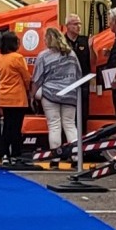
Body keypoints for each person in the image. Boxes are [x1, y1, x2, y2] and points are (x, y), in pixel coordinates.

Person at [34, 24, 83, 154]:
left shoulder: (43, 56)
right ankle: (76, 156)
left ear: (48, 39)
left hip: (50, 94)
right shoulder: (71, 54)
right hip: (70, 94)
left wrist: (33, 94)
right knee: (70, 125)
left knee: (54, 125)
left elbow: (37, 78)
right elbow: (79, 74)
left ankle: (55, 157)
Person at [0, 30, 32, 166]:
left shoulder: (0, 58)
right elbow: (26, 77)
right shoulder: (18, 58)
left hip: (4, 96)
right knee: (16, 127)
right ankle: (15, 154)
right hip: (17, 97)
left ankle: (4, 154)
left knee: (7, 126)